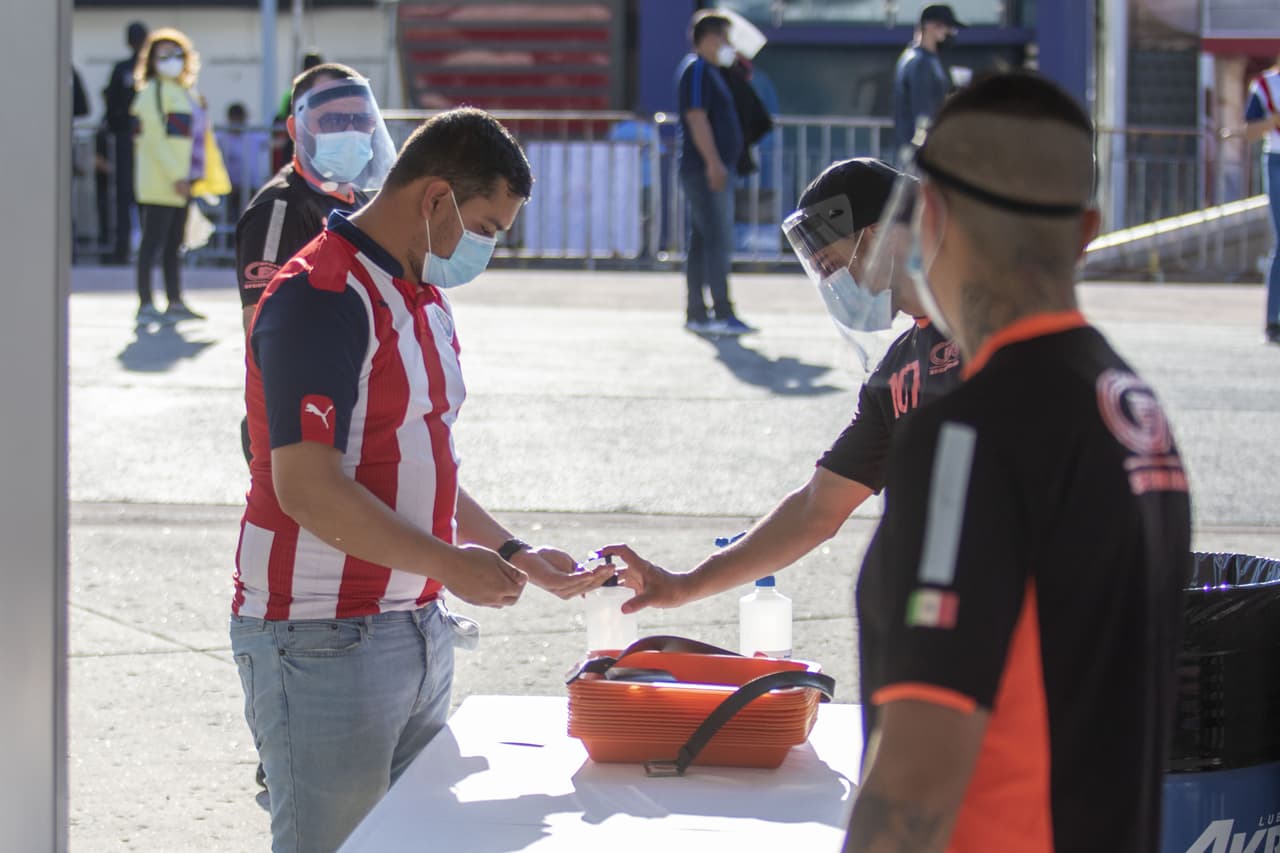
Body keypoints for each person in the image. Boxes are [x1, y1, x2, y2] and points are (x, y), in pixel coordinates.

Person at [231, 106, 612, 852]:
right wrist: (447, 563)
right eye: (487, 227)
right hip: (319, 635)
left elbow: (417, 460)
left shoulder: (421, 293)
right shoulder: (323, 293)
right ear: (435, 198)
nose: (486, 249)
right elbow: (306, 486)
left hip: (413, 624)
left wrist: (511, 552)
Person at [839, 71, 1191, 852]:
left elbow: (918, 778)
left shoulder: (968, 433)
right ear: (1088, 229)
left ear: (929, 214)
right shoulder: (1136, 413)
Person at [597, 158, 961, 612]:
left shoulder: (994, 331)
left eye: (833, 265)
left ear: (876, 236)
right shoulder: (895, 372)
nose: (834, 286)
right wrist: (685, 585)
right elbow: (816, 508)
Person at [130, 27, 230, 327]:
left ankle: (174, 300)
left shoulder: (186, 94)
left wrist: (195, 177)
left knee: (174, 245)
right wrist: (177, 176)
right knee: (152, 244)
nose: (170, 60)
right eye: (163, 55)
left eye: (176, 54)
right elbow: (155, 141)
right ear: (151, 60)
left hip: (184, 183)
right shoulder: (152, 93)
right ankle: (146, 302)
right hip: (161, 184)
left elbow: (193, 139)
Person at [676, 10, 753, 336]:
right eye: (723, 37)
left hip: (708, 169)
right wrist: (714, 163)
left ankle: (698, 312)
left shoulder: (713, 72)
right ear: (708, 37)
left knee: (703, 240)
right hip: (706, 171)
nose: (727, 44)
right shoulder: (697, 70)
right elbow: (697, 117)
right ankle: (722, 311)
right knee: (718, 240)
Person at [101, 21, 147, 265]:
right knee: (125, 195)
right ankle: (122, 250)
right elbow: (112, 106)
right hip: (126, 141)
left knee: (145, 197)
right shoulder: (122, 69)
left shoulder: (153, 71)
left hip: (148, 144)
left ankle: (147, 252)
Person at [892, 4, 966, 155]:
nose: (951, 33)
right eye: (947, 27)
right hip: (922, 152)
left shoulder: (923, 59)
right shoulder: (920, 62)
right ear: (931, 27)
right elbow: (923, 114)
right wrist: (922, 150)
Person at [1245, 56, 1280, 344]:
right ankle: (1273, 319)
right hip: (1277, 160)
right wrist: (1273, 121)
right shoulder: (1265, 85)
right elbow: (1250, 132)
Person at [215, 102, 269, 230]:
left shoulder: (254, 135)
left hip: (251, 187)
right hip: (228, 188)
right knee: (227, 217)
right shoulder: (221, 137)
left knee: (251, 218)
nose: (237, 122)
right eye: (234, 119)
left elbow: (275, 142)